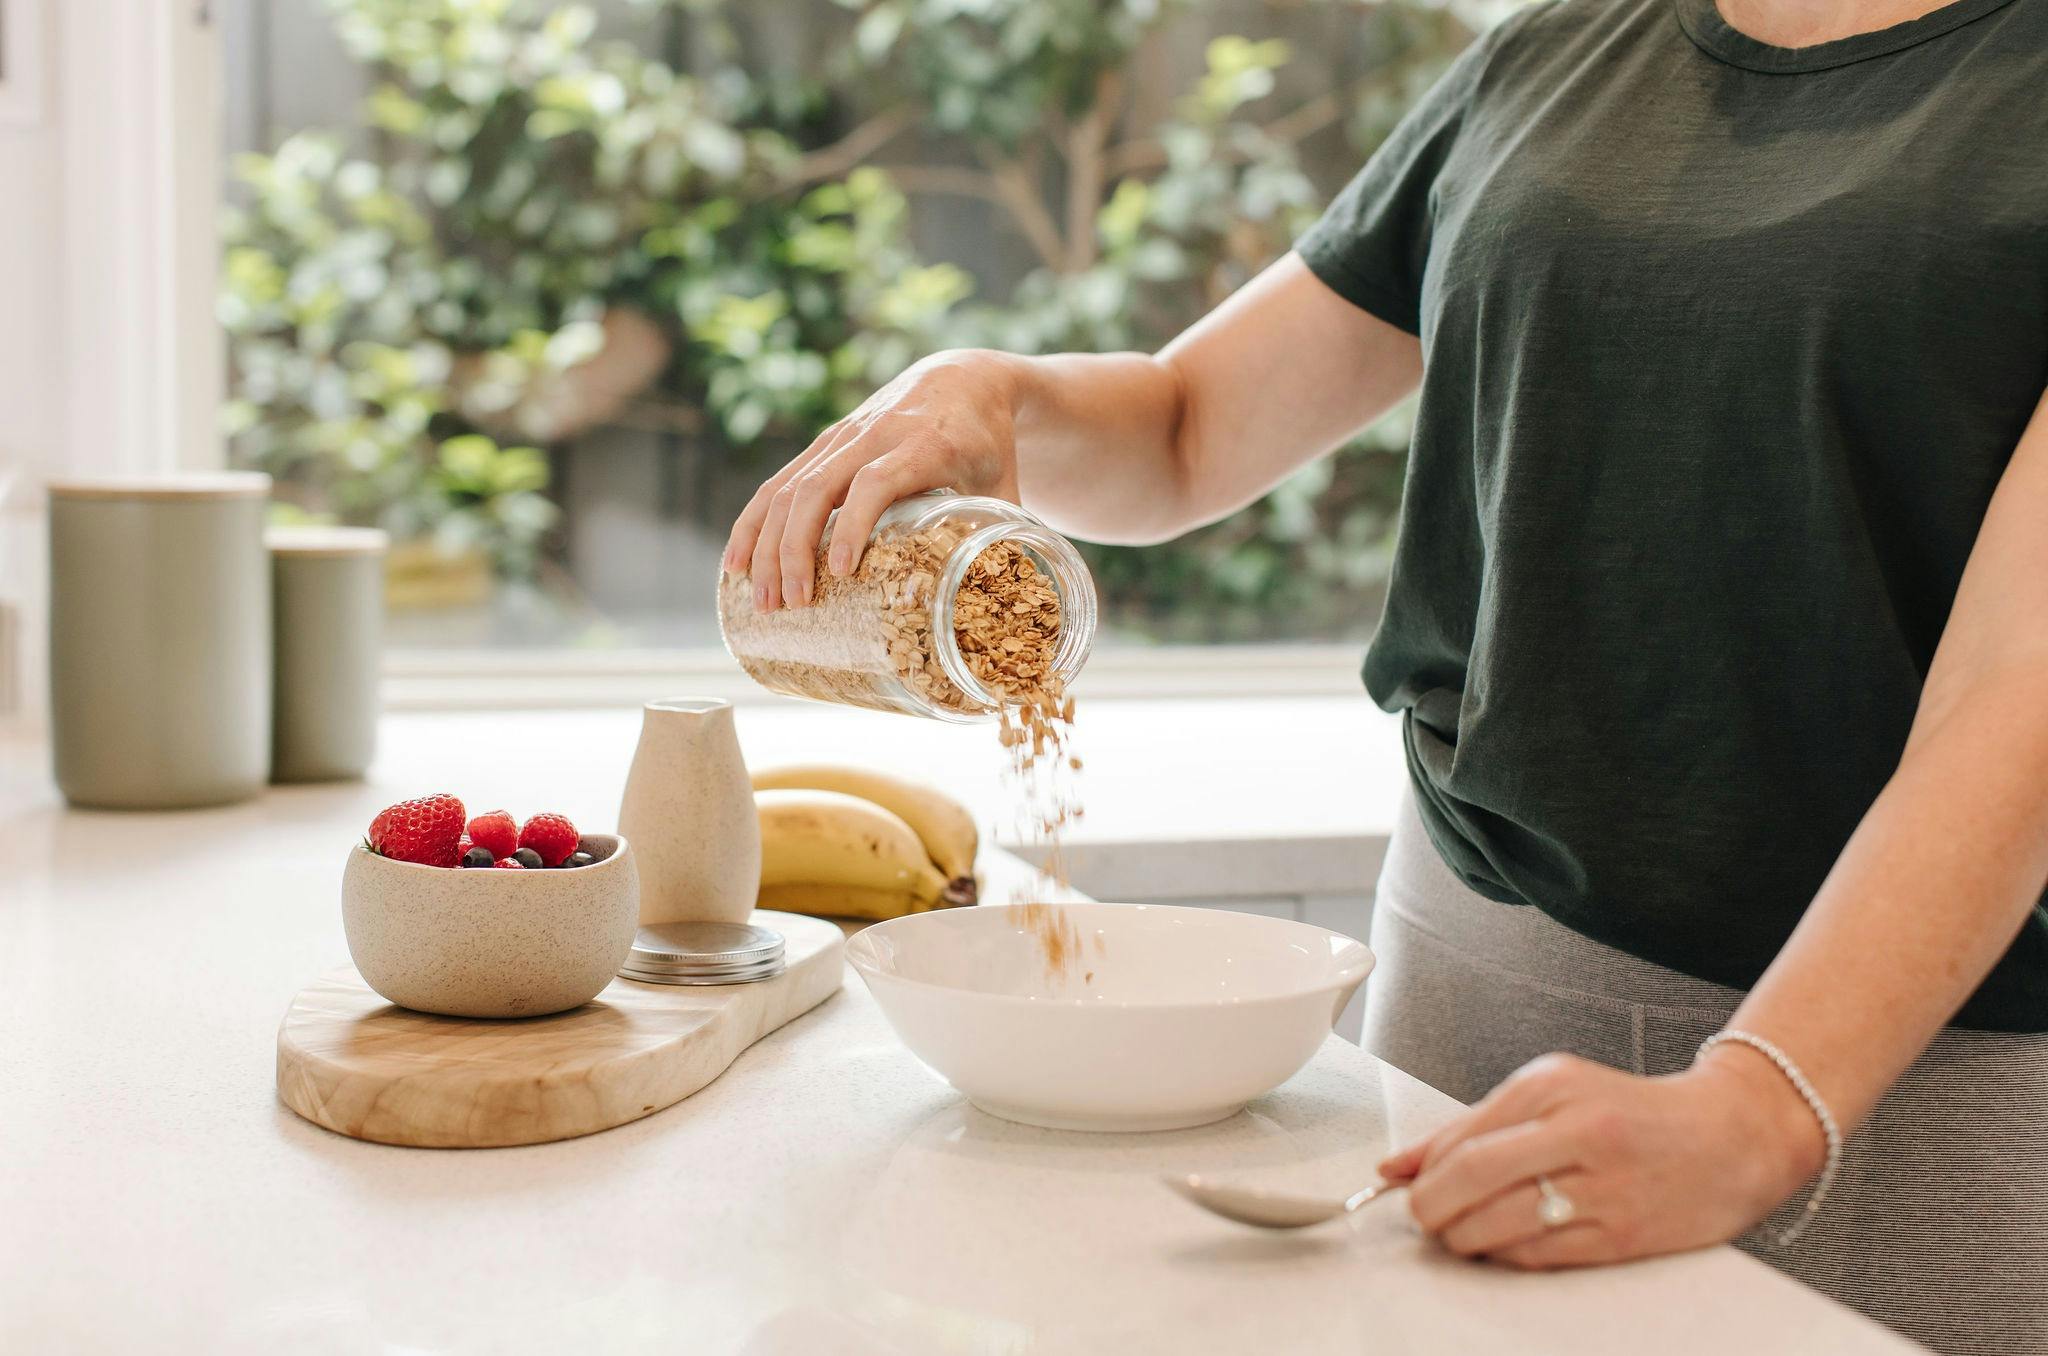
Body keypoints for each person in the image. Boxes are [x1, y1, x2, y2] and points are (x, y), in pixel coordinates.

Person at [723, 0, 2048, 1349]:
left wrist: (1762, 1107)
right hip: (1468, 995)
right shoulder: (1566, 48)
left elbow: (2020, 696)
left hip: (1905, 1075)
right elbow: (1187, 431)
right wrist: (991, 390)